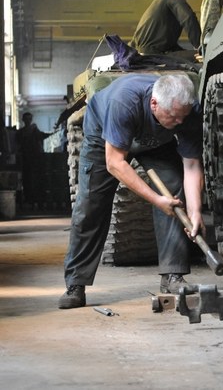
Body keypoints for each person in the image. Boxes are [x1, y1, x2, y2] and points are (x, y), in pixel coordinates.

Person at [58, 73, 205, 309]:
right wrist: (157, 200)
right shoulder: (123, 102)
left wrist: (195, 212)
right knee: (89, 207)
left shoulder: (186, 110)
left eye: (183, 117)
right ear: (154, 103)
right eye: (174, 116)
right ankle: (76, 284)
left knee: (174, 189)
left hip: (156, 141)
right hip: (103, 138)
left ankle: (173, 275)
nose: (180, 122)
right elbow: (115, 163)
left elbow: (191, 164)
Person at [129, 0, 201, 59]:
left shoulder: (160, 2)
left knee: (193, 54)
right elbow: (189, 18)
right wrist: (200, 46)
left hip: (143, 52)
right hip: (154, 54)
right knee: (200, 56)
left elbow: (166, 43)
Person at [16, 112, 52, 205]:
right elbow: (19, 143)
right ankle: (28, 198)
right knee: (26, 179)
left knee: (36, 179)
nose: (28, 121)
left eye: (29, 119)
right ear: (23, 120)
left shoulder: (34, 130)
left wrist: (52, 133)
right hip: (26, 159)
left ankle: (36, 198)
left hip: (36, 159)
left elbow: (40, 136)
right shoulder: (21, 132)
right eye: (26, 119)